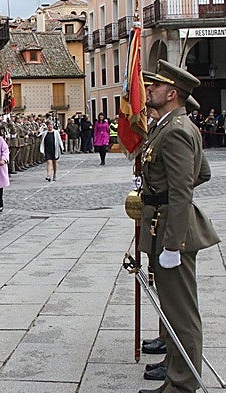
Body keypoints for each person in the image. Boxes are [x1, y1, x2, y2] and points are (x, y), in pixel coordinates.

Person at [138, 60, 220, 393]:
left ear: (172, 93)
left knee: (181, 314)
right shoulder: (169, 125)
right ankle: (176, 371)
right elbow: (199, 174)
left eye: (155, 87)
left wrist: (172, 244)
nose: (149, 91)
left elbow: (186, 187)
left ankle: (183, 385)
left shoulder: (176, 130)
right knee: (172, 310)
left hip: (174, 232)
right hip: (164, 224)